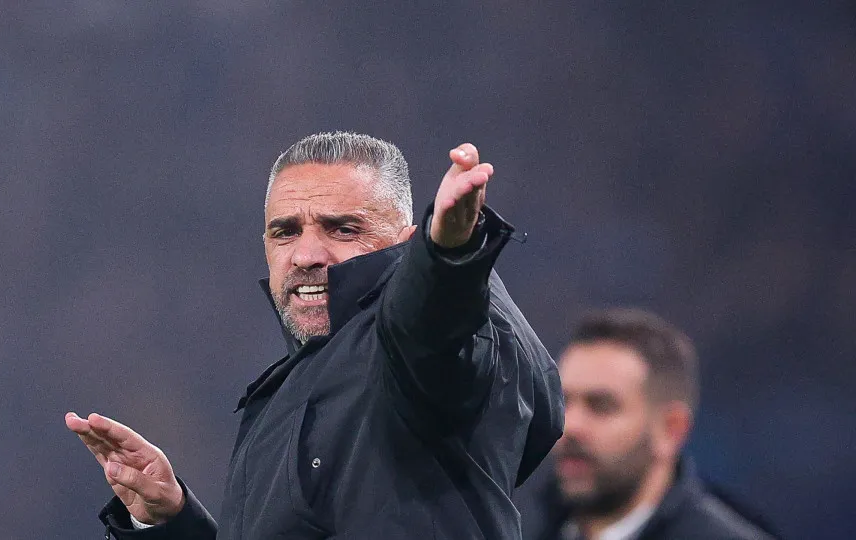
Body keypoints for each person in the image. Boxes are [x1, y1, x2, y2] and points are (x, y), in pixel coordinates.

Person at [66, 132, 564, 539]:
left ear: (407, 243)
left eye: (343, 229)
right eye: (285, 232)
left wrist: (448, 253)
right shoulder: (294, 387)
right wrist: (173, 522)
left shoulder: (421, 345)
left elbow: (431, 325)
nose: (306, 255)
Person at [515, 308, 779, 540]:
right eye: (562, 402)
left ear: (671, 430)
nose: (570, 426)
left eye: (602, 406)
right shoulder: (512, 528)